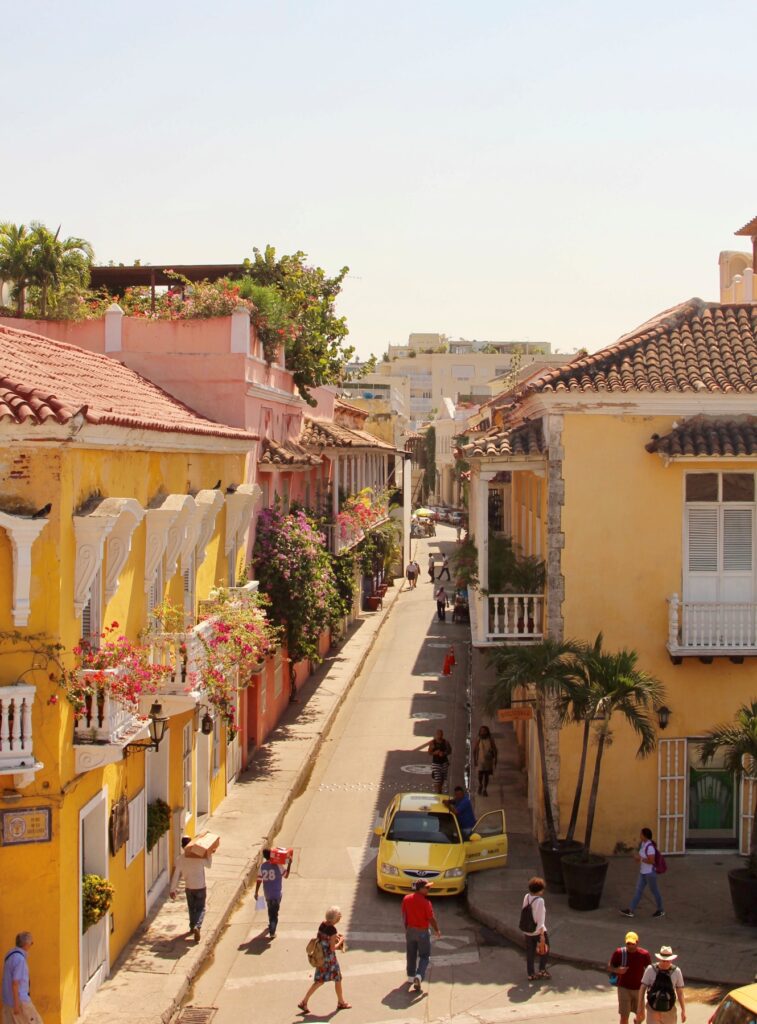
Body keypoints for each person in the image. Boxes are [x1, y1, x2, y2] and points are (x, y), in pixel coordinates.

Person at [298, 906, 351, 1013]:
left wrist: (335, 938)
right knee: (337, 978)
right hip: (329, 960)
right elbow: (332, 948)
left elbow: (323, 938)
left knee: (319, 981)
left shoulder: (322, 924)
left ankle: (304, 1001)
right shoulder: (333, 930)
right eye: (339, 916)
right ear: (335, 918)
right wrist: (341, 940)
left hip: (321, 957)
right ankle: (341, 1002)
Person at [401, 879, 441, 993]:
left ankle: (410, 976)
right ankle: (419, 976)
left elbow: (404, 916)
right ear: (420, 889)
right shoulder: (426, 903)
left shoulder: (406, 899)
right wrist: (437, 930)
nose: (429, 889)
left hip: (410, 930)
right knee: (425, 956)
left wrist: (407, 929)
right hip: (422, 932)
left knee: (411, 953)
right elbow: (431, 918)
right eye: (427, 887)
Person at [170, 836, 212, 941]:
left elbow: (176, 875)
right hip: (200, 886)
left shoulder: (179, 859)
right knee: (201, 908)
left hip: (189, 887)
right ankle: (197, 926)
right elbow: (209, 865)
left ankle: (192, 927)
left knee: (191, 908)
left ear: (182, 846)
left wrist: (172, 889)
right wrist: (209, 853)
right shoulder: (199, 857)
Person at [608, 930, 652, 1024]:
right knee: (624, 1016)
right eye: (628, 943)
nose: (630, 946)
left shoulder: (644, 954)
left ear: (637, 942)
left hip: (639, 989)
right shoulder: (619, 953)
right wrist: (617, 970)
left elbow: (650, 970)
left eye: (632, 943)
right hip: (624, 987)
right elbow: (610, 967)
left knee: (641, 1016)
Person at [621, 828, 665, 918]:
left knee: (655, 891)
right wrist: (638, 858)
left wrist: (640, 859)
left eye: (641, 834)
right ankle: (630, 910)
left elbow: (651, 861)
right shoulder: (643, 844)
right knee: (638, 891)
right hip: (643, 872)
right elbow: (642, 857)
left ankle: (661, 910)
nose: (640, 835)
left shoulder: (650, 848)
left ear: (645, 836)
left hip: (650, 873)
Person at [637, 945, 686, 1024]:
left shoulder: (677, 971)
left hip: (670, 1009)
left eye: (668, 961)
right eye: (663, 960)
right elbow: (642, 988)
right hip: (652, 1009)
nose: (665, 963)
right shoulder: (650, 969)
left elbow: (680, 991)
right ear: (659, 958)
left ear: (672, 960)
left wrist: (683, 1010)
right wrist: (639, 1007)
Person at [2, 932, 40, 1024]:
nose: (31, 945)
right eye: (31, 943)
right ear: (26, 944)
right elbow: (15, 983)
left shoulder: (10, 957)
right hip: (20, 1002)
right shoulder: (20, 960)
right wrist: (16, 1004)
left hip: (7, 1001)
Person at [254, 847, 292, 939]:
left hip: (267, 893)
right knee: (274, 914)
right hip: (276, 893)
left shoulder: (262, 866)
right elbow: (286, 876)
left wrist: (256, 892)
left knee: (270, 910)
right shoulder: (278, 865)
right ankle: (272, 932)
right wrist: (289, 864)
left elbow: (259, 880)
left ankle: (271, 924)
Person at [521, 877, 550, 981]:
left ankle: (531, 974)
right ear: (540, 890)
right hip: (537, 931)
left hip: (527, 931)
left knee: (530, 953)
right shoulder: (540, 901)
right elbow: (540, 919)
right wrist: (541, 934)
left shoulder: (527, 897)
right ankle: (542, 970)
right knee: (545, 950)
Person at [473, 725, 498, 796]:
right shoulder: (478, 739)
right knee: (480, 774)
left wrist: (496, 759)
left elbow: (495, 749)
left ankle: (484, 789)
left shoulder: (490, 739)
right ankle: (480, 784)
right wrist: (475, 760)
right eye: (481, 731)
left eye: (484, 731)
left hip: (488, 760)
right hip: (480, 760)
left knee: (486, 775)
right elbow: (474, 750)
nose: (483, 732)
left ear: (487, 731)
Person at [428, 729, 452, 794]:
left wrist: (444, 753)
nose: (439, 736)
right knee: (437, 778)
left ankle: (439, 789)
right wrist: (435, 753)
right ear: (436, 735)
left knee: (443, 777)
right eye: (438, 734)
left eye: (441, 734)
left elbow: (449, 751)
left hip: (444, 762)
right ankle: (439, 792)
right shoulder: (433, 743)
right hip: (436, 763)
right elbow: (429, 752)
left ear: (442, 735)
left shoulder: (446, 742)